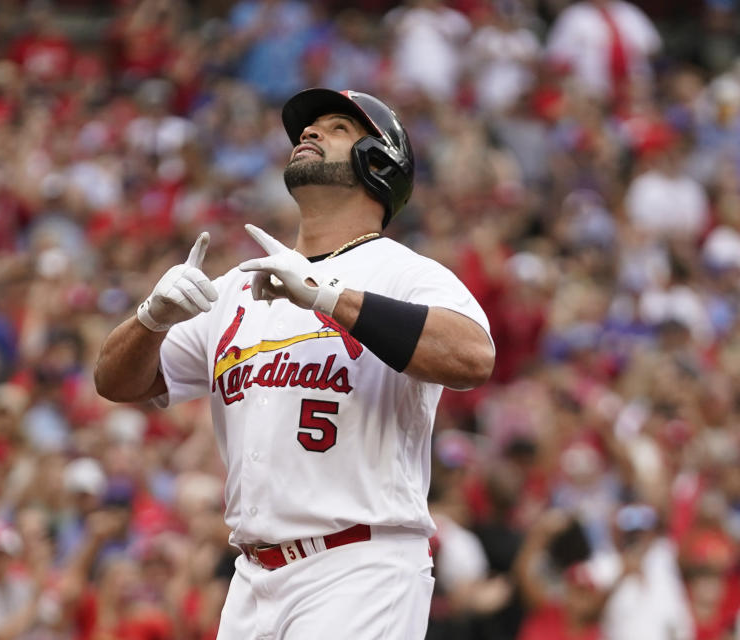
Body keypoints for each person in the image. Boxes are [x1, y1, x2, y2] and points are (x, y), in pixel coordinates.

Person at [94, 88, 495, 639]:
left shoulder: (403, 272)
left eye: (337, 128)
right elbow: (116, 383)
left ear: (379, 162)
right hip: (252, 576)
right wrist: (150, 318)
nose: (309, 133)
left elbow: (473, 356)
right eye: (308, 128)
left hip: (360, 566)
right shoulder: (239, 284)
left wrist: (328, 296)